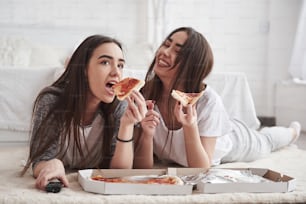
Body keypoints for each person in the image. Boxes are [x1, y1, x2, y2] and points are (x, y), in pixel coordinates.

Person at [133, 27, 301, 169]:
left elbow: (201, 169)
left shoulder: (207, 101)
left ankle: (293, 132)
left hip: (235, 141)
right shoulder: (145, 95)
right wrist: (146, 135)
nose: (164, 52)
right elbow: (142, 167)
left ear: (192, 64)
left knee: (266, 141)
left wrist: (190, 126)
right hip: (219, 124)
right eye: (166, 44)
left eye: (177, 51)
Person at [21, 35, 147, 190]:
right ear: (84, 69)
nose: (116, 72)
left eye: (120, 65)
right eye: (105, 62)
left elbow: (119, 174)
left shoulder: (119, 107)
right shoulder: (51, 101)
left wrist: (127, 125)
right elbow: (39, 160)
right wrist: (53, 164)